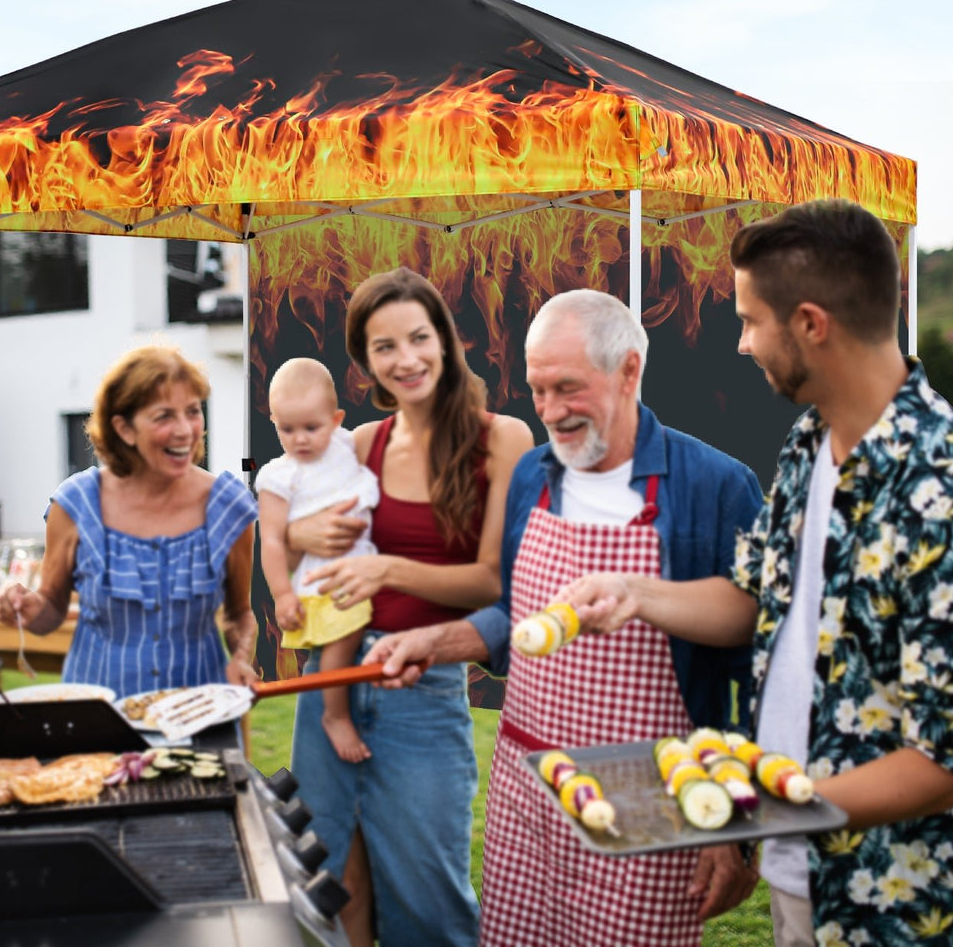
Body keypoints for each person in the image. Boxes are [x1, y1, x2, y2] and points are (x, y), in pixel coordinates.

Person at [561, 200, 953, 947]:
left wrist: (759, 806)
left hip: (890, 898)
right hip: (795, 868)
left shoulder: (951, 489)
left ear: (811, 324)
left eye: (751, 320)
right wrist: (635, 593)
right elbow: (751, 600)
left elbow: (948, 760)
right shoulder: (807, 442)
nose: (742, 343)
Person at [369, 288, 764, 947]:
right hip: (529, 796)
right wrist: (439, 641)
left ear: (629, 370)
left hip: (649, 802)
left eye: (568, 388)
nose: (551, 411)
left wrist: (734, 824)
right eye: (538, 390)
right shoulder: (531, 475)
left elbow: (758, 665)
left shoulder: (716, 486)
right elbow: (516, 613)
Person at [284, 267, 534, 947]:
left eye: (419, 338)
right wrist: (299, 534)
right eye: (384, 346)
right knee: (328, 884)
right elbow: (291, 526)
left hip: (422, 686)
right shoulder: (361, 444)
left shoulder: (503, 439)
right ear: (365, 362)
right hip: (332, 681)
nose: (406, 359)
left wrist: (388, 569)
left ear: (446, 340)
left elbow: (494, 581)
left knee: (429, 901)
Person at [0, 343, 258, 696]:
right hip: (98, 714)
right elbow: (52, 608)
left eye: (193, 411)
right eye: (164, 416)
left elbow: (239, 614)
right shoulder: (75, 504)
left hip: (199, 710)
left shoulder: (229, 506)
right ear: (124, 429)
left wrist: (241, 657)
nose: (185, 430)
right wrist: (25, 608)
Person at [257, 357, 381, 763]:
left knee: (354, 644)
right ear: (273, 421)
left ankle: (346, 710)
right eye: (286, 429)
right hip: (323, 580)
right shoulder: (279, 476)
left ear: (336, 419)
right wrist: (281, 595)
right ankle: (335, 715)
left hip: (363, 565)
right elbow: (271, 539)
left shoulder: (346, 445)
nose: (300, 440)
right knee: (339, 645)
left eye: (312, 428)